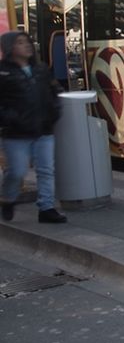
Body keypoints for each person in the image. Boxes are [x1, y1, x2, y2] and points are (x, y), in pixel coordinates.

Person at [0, 31, 66, 224]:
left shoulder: (41, 69)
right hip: (16, 132)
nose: (27, 45)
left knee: (46, 170)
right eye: (20, 43)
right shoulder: (3, 72)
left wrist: (53, 113)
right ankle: (8, 198)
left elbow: (55, 92)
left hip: (43, 129)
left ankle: (46, 208)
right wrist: (9, 118)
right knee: (17, 171)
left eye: (28, 41)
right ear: (10, 47)